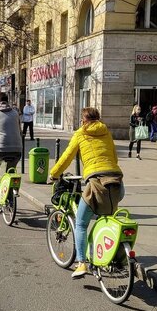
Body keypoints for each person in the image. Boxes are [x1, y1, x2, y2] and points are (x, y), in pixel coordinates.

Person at [49, 107, 123, 278]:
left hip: (96, 182)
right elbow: (114, 156)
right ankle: (107, 253)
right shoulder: (106, 131)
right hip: (117, 182)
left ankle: (82, 263)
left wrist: (53, 174)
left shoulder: (80, 133)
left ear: (84, 121)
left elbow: (67, 157)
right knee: (107, 217)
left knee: (81, 224)